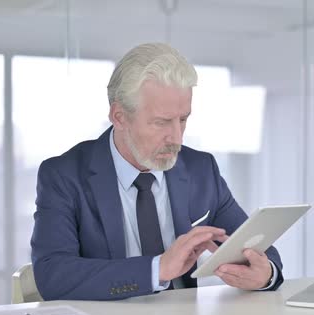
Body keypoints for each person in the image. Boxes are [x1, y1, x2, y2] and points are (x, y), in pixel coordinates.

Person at [31, 42, 284, 300]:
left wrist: (265, 275)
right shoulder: (63, 175)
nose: (176, 137)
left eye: (183, 119)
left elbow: (257, 247)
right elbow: (53, 275)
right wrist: (157, 269)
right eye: (161, 122)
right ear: (119, 117)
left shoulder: (201, 169)